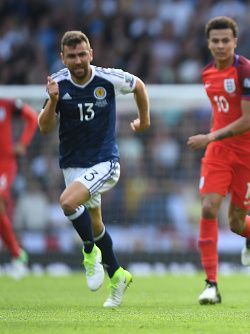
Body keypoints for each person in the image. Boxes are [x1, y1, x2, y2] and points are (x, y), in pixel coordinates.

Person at [38, 31, 150, 307]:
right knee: (96, 224)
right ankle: (118, 275)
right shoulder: (59, 84)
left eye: (82, 54)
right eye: (72, 56)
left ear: (91, 53)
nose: (78, 60)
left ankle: (89, 252)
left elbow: (139, 86)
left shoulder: (107, 78)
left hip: (105, 163)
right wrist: (52, 101)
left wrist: (144, 120)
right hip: (72, 164)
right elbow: (44, 127)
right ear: (62, 57)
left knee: (67, 203)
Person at [187, 16, 250, 305]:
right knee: (208, 207)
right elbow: (219, 112)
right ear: (208, 43)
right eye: (215, 41)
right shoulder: (207, 73)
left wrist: (209, 137)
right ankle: (211, 285)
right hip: (219, 151)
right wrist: (213, 140)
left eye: (225, 40)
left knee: (235, 221)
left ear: (235, 42)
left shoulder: (246, 71)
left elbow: (247, 120)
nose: (220, 46)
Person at [0, 98, 37, 280]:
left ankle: (17, 254)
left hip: (4, 163)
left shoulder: (7, 102)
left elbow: (32, 116)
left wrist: (23, 142)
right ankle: (17, 254)